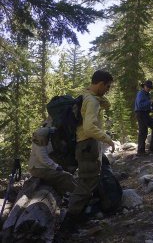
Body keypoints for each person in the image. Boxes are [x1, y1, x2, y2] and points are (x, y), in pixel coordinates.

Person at [64, 70, 115, 227]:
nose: (108, 89)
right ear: (100, 84)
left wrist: (102, 99)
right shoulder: (92, 101)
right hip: (87, 144)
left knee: (89, 179)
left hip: (85, 145)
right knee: (86, 182)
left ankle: (78, 212)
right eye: (107, 86)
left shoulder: (87, 95)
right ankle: (71, 220)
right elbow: (89, 128)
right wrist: (108, 140)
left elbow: (105, 104)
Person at [29, 126, 77, 195]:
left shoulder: (45, 139)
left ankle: (66, 195)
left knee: (64, 174)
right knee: (66, 176)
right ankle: (80, 196)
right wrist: (56, 167)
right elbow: (43, 159)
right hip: (37, 169)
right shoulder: (40, 141)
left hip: (40, 167)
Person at [134, 80, 153, 155]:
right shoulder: (141, 94)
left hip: (145, 113)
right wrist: (150, 102)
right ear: (144, 86)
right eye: (147, 87)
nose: (148, 88)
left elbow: (148, 106)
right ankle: (140, 151)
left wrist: (152, 108)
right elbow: (140, 105)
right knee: (143, 131)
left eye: (150, 87)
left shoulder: (147, 94)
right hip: (140, 113)